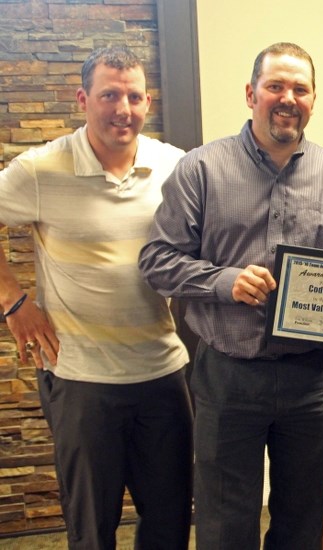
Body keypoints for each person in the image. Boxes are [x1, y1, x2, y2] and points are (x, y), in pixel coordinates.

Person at [138, 42, 323, 550]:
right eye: (275, 86)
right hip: (228, 377)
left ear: (313, 100)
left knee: (301, 524)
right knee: (226, 527)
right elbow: (157, 261)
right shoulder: (201, 169)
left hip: (314, 382)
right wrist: (224, 282)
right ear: (251, 94)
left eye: (300, 88)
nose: (287, 98)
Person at [0, 46, 193, 549]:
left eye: (133, 96)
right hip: (81, 379)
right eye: (109, 95)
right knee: (92, 530)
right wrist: (13, 300)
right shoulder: (42, 169)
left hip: (163, 374)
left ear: (147, 101)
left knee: (170, 524)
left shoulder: (176, 167)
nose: (122, 109)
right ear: (82, 98)